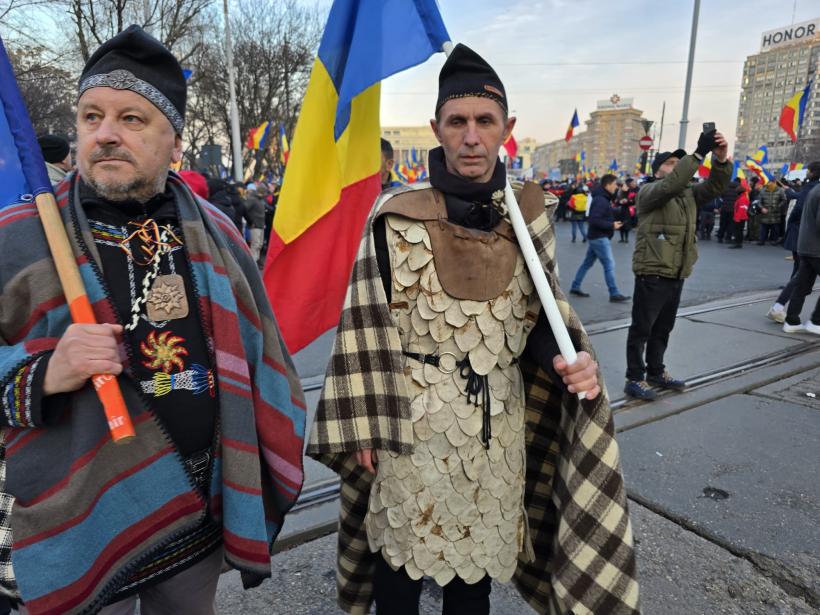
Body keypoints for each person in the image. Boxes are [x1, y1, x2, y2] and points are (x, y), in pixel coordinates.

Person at [306, 44, 638, 615]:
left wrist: (572, 362)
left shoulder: (528, 217)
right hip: (408, 430)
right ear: (437, 128)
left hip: (495, 433)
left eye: (485, 122)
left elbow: (539, 324)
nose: (471, 136)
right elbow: (364, 327)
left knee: (473, 583)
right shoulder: (395, 215)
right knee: (397, 572)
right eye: (457, 122)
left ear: (506, 129)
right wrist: (362, 419)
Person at [0, 26, 304, 614]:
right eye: (91, 117)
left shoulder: (220, 236)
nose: (105, 134)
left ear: (176, 143)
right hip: (82, 522)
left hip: (198, 513)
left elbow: (265, 359)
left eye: (132, 119)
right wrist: (44, 372)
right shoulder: (18, 238)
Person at [624, 135, 731, 400]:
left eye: (678, 163)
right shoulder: (649, 192)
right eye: (671, 163)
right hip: (652, 270)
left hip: (677, 269)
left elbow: (717, 186)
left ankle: (656, 371)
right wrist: (696, 156)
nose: (676, 166)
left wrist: (719, 159)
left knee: (663, 327)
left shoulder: (688, 195)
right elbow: (672, 184)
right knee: (642, 328)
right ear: (657, 170)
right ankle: (634, 377)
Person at [766, 163, 820, 323]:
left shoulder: (809, 187)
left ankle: (783, 311)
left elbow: (799, 209)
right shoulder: (813, 188)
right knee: (801, 276)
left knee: (801, 275)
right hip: (810, 239)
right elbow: (801, 210)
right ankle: (813, 321)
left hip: (803, 235)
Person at [569, 174, 630, 301]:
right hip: (599, 237)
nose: (615, 187)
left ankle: (575, 286)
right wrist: (611, 225)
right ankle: (614, 293)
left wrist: (623, 192)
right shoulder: (601, 200)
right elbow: (594, 220)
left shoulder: (602, 197)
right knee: (609, 264)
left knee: (587, 263)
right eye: (614, 184)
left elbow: (615, 199)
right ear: (608, 185)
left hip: (596, 236)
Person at [782, 170, 820, 334]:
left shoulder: (815, 189)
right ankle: (817, 321)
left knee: (802, 284)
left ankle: (792, 320)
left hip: (806, 245)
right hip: (817, 248)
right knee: (802, 283)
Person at [243, 181, 267, 263]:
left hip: (260, 225)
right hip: (255, 225)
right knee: (255, 245)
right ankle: (252, 263)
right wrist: (251, 221)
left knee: (259, 245)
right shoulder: (252, 199)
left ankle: (255, 261)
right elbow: (245, 209)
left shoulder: (260, 200)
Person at [757, 180, 786, 245]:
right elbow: (759, 201)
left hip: (775, 213)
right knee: (763, 227)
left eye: (772, 182)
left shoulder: (780, 190)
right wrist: (762, 208)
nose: (770, 184)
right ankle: (761, 240)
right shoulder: (763, 190)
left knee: (775, 228)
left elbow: (784, 200)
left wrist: (778, 206)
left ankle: (775, 240)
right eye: (769, 182)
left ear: (775, 183)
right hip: (765, 212)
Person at [716, 179, 742, 243]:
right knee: (730, 224)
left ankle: (720, 237)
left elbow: (721, 197)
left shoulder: (725, 189)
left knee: (722, 224)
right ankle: (728, 238)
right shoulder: (738, 190)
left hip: (724, 208)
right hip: (732, 209)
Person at [728, 181, 750, 249]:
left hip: (739, 218)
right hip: (741, 217)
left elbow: (741, 210)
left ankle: (738, 243)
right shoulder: (742, 197)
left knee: (738, 231)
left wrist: (737, 218)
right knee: (739, 230)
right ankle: (738, 242)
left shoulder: (742, 199)